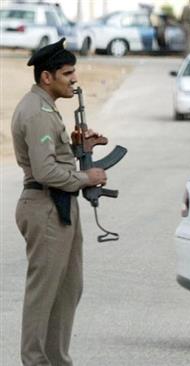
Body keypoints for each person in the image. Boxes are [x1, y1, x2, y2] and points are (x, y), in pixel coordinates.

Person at [11, 38, 107, 366]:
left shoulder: (46, 109)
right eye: (67, 73)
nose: (74, 79)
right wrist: (87, 177)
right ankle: (36, 360)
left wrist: (79, 148)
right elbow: (45, 169)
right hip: (44, 205)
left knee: (67, 289)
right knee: (44, 293)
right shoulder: (37, 111)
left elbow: (54, 157)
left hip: (57, 204)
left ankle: (55, 358)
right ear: (46, 77)